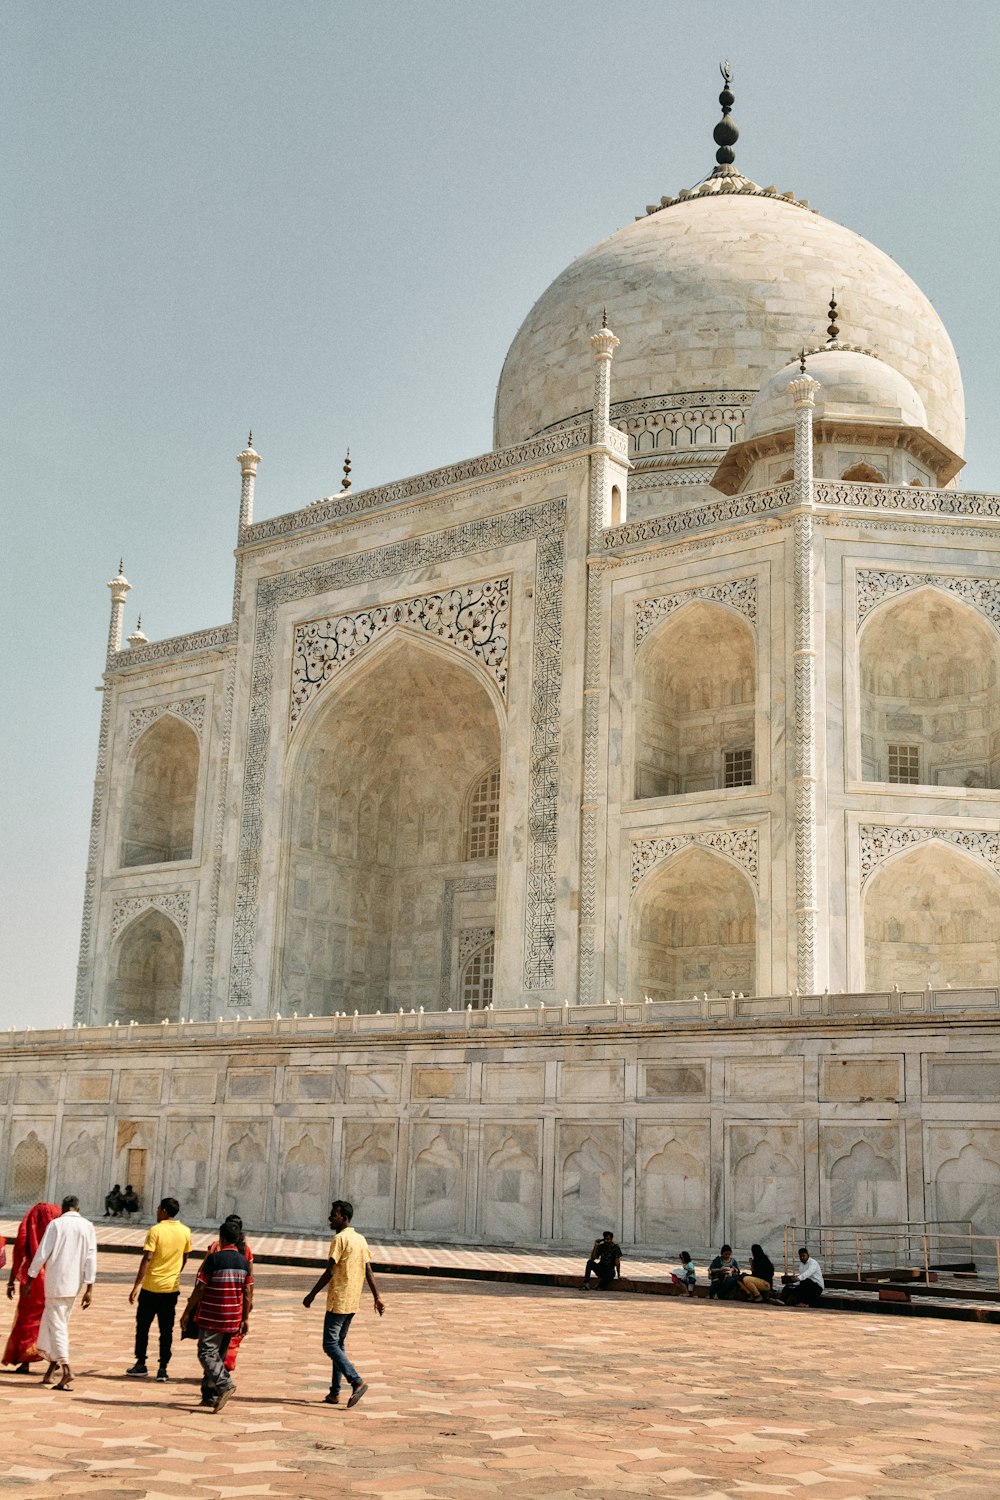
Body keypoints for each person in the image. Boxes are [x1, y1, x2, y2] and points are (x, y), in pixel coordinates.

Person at [303, 1199, 385, 1407]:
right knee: (338, 1344)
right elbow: (368, 1270)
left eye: (334, 1214)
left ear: (344, 1218)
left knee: (330, 1344)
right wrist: (377, 1297)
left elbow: (330, 1270)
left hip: (339, 1299)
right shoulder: (360, 1239)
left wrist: (311, 1295)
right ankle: (334, 1392)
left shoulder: (340, 1239)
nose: (330, 1218)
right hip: (352, 1300)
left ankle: (356, 1381)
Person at [179, 1219, 253, 1412]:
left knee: (205, 1352)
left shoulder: (215, 1259)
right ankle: (211, 1395)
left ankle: (224, 1384)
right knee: (218, 1355)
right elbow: (247, 1292)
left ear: (222, 1238)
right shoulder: (243, 1262)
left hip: (213, 1314)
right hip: (232, 1316)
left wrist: (187, 1310)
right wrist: (245, 1318)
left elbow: (201, 1286)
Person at [26, 1195, 97, 1391]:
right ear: (78, 1207)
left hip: (56, 1283)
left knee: (57, 1326)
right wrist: (89, 1287)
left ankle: (66, 1368)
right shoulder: (88, 1226)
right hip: (74, 1285)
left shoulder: (56, 1225)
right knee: (55, 1323)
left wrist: (30, 1278)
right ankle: (51, 1370)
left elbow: (42, 1252)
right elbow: (91, 1257)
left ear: (64, 1208)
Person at [126, 1196, 192, 1381]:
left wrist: (136, 1285)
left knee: (143, 1327)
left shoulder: (155, 1230)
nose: (156, 1212)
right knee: (166, 1329)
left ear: (164, 1211)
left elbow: (148, 1258)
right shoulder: (185, 1231)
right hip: (170, 1289)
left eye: (157, 1209)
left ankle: (141, 1363)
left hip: (151, 1287)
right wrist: (174, 1273)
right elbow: (185, 1257)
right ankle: (163, 1367)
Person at [3, 1203, 61, 1372]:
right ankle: (55, 1358)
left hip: (31, 1281)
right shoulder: (57, 1231)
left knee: (28, 1320)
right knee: (53, 1320)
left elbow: (19, 1253)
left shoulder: (32, 1232)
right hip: (54, 1279)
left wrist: (11, 1281)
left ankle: (25, 1360)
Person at [199, 1214, 253, 1373]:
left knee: (208, 1346)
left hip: (214, 1302)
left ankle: (218, 1379)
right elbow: (249, 1284)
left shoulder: (216, 1249)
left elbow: (201, 1275)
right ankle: (220, 1373)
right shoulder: (245, 1254)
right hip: (236, 1302)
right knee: (227, 1340)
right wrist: (247, 1312)